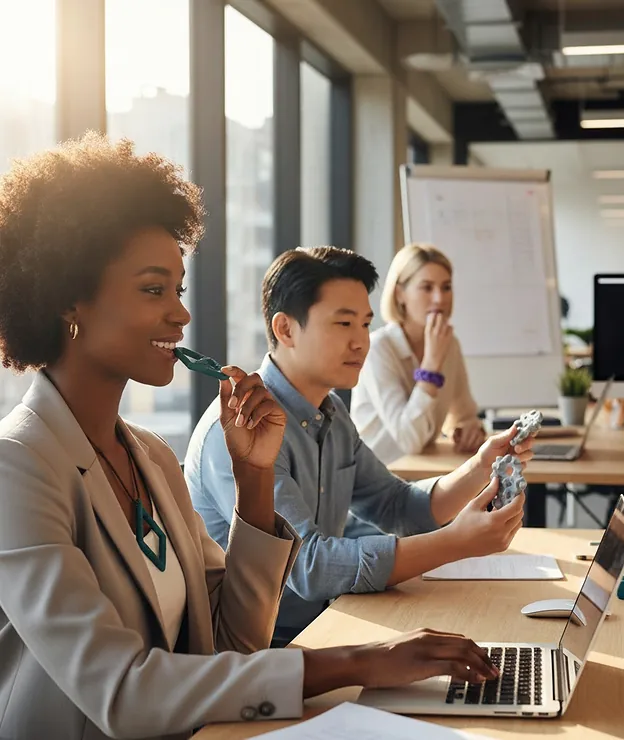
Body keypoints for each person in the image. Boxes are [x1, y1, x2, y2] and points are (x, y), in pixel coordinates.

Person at [0, 135, 498, 740]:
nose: (181, 315)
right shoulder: (17, 466)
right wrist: (358, 661)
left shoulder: (150, 456)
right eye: (154, 290)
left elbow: (231, 641)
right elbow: (122, 692)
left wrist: (255, 479)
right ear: (66, 300)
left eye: (178, 291)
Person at [186, 246, 533, 648]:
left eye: (365, 324)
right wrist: (455, 542)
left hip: (320, 627)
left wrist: (478, 465)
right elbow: (308, 568)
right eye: (343, 323)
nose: (360, 342)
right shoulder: (241, 427)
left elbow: (396, 505)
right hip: (256, 655)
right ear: (285, 330)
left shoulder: (330, 413)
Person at [350, 243, 486, 465]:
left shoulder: (449, 344)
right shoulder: (378, 348)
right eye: (427, 287)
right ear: (400, 293)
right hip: (378, 481)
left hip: (422, 473)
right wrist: (431, 365)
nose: (439, 299)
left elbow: (463, 416)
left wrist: (470, 430)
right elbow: (409, 441)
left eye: (446, 287)